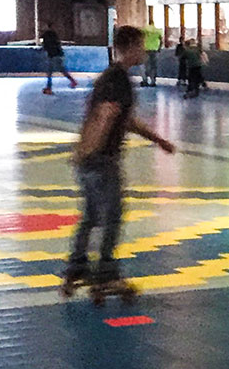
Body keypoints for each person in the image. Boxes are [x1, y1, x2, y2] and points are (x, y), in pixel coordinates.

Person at [60, 26, 175, 299]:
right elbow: (106, 115)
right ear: (131, 47)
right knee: (113, 215)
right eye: (141, 45)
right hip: (100, 159)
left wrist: (157, 139)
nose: (145, 51)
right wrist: (91, 150)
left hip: (90, 158)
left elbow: (124, 119)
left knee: (90, 215)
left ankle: (76, 267)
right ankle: (106, 274)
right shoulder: (118, 80)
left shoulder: (111, 77)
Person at [40, 25, 78, 94]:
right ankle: (72, 81)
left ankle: (49, 87)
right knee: (52, 71)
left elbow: (44, 44)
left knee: (53, 71)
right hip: (56, 55)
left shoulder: (46, 35)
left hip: (54, 55)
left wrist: (43, 47)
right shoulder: (53, 35)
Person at [141, 21, 162, 87]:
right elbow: (161, 40)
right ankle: (153, 81)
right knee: (153, 66)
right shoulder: (158, 31)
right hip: (154, 50)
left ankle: (145, 81)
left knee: (144, 66)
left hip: (145, 50)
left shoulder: (144, 30)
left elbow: (140, 38)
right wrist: (159, 48)